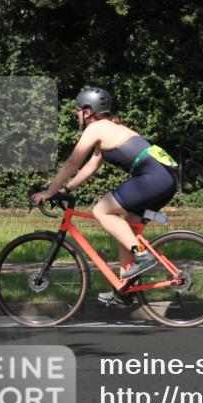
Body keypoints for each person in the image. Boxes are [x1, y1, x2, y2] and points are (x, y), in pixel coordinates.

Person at [32, 86, 179, 305]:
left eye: (78, 110)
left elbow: (73, 162)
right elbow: (91, 165)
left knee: (101, 210)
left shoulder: (96, 128)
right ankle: (124, 289)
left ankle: (142, 256)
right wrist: (66, 189)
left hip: (153, 178)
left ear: (88, 111)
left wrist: (49, 191)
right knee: (127, 229)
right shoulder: (111, 128)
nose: (76, 114)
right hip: (165, 179)